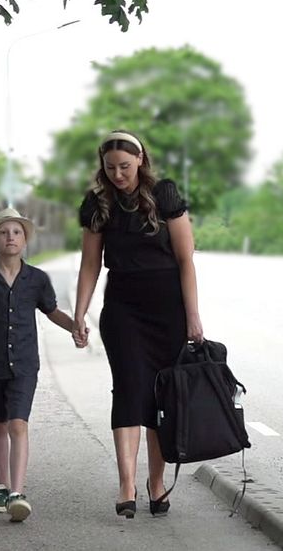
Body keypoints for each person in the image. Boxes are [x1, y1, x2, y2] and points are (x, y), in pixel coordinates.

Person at [71, 130, 204, 519]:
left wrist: (193, 315)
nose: (118, 174)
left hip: (168, 309)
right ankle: (127, 485)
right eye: (110, 168)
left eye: (125, 167)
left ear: (140, 160)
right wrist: (80, 312)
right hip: (123, 308)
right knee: (129, 390)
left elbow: (186, 260)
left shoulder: (164, 195)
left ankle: (156, 482)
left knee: (162, 399)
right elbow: (91, 264)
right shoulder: (97, 204)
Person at [0, 207, 76, 523]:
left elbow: (52, 311)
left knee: (18, 424)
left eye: (17, 232)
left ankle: (17, 494)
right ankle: (1, 485)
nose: (11, 237)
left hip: (24, 365)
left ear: (25, 240)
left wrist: (75, 326)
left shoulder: (36, 279)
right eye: (4, 232)